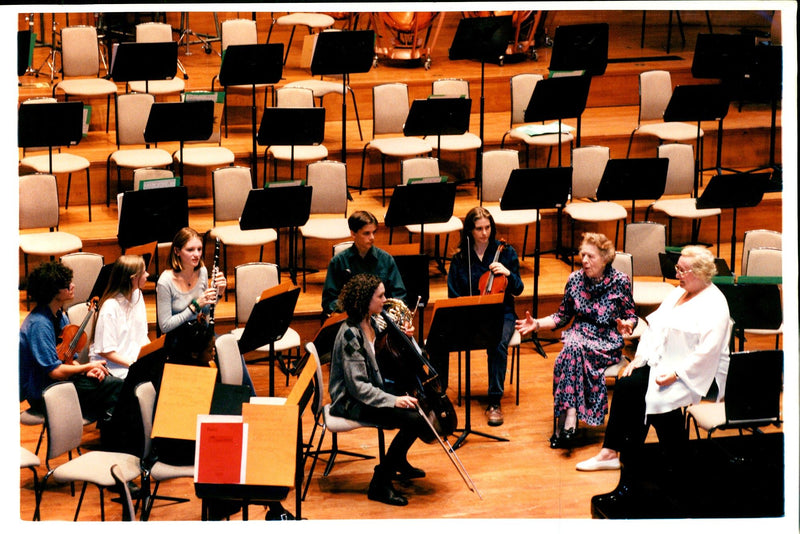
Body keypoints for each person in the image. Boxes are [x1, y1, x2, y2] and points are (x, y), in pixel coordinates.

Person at [578, 246, 731, 512]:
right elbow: (655, 326)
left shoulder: (715, 303)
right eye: (678, 269)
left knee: (646, 400)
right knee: (630, 386)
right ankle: (629, 461)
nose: (678, 274)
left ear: (701, 272)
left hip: (697, 374)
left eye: (682, 270)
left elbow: (709, 351)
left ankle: (632, 470)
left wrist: (678, 373)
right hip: (664, 364)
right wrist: (634, 331)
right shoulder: (678, 293)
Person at [516, 233, 637, 448]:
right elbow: (562, 316)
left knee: (569, 353)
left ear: (605, 258)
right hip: (579, 334)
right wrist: (537, 323)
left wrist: (627, 325)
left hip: (606, 338)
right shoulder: (574, 280)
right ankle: (570, 418)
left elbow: (631, 315)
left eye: (590, 256)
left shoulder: (620, 281)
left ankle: (564, 422)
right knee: (572, 349)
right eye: (583, 255)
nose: (584, 260)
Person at [329, 274, 434, 506]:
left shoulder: (374, 322)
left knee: (417, 408)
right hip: (350, 402)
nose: (385, 300)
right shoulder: (350, 334)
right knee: (415, 420)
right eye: (380, 296)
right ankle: (380, 481)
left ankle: (398, 461)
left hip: (371, 391)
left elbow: (386, 358)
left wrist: (408, 339)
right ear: (366, 300)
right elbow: (358, 387)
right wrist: (392, 400)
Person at [440, 206, 524, 427]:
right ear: (470, 231)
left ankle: (494, 401)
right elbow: (453, 294)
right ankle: (439, 399)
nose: (484, 233)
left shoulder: (505, 253)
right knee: (439, 339)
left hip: (502, 313)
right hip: (470, 313)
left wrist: (508, 274)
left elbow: (518, 289)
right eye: (479, 229)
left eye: (488, 228)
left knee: (497, 343)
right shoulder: (460, 258)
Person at [19, 261, 123, 428]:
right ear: (53, 292)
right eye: (67, 285)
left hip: (60, 383)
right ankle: (111, 436)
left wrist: (86, 372)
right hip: (44, 392)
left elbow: (68, 360)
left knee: (111, 382)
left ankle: (109, 432)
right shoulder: (39, 324)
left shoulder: (60, 316)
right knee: (115, 387)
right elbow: (55, 371)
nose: (72, 286)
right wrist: (86, 367)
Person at [321, 210, 406, 317]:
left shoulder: (386, 259)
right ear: (353, 233)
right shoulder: (338, 262)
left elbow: (399, 296)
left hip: (381, 318)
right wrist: (351, 311)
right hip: (350, 319)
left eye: (374, 232)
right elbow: (329, 300)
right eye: (366, 233)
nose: (372, 238)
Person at [88, 255, 151, 379]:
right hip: (113, 368)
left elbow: (142, 336)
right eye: (143, 272)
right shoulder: (110, 307)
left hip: (132, 362)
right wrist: (133, 364)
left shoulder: (137, 294)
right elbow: (105, 351)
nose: (148, 274)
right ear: (133, 279)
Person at [156, 227, 226, 335]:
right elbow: (165, 326)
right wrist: (194, 307)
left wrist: (219, 293)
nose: (197, 255)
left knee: (228, 346)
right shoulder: (165, 282)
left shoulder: (202, 271)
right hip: (178, 338)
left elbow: (206, 311)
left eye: (199, 249)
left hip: (199, 332)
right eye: (190, 250)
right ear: (177, 251)